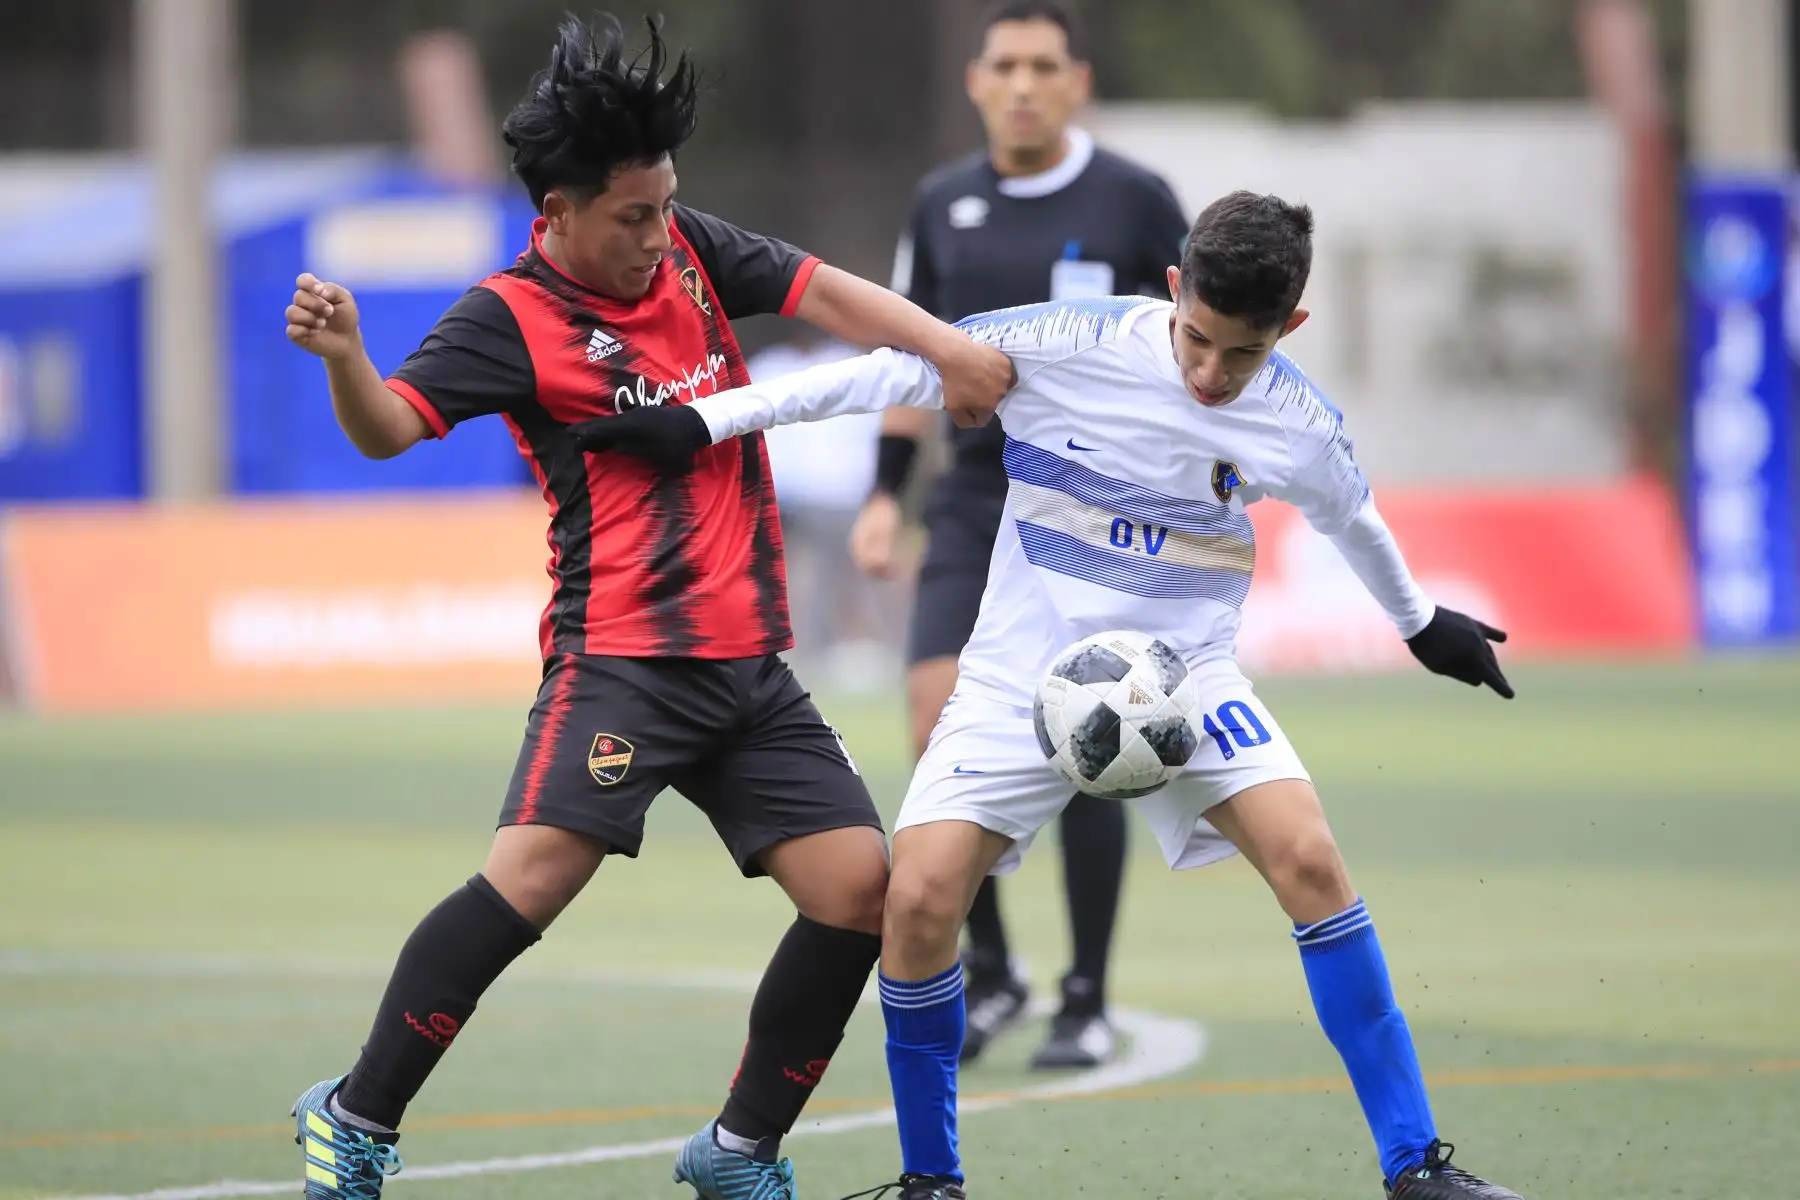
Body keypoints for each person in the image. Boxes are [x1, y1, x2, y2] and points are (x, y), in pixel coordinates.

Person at [577, 190, 1524, 1200]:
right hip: (1021, 671)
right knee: (921, 898)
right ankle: (931, 1179)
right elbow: (884, 373)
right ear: (1174, 289)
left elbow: (1355, 518)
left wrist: (1422, 623)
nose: (1209, 374)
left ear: (1287, 330)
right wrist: (707, 422)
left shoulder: (1296, 422)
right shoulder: (1068, 341)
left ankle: (1415, 1165)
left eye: (1238, 356)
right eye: (1196, 339)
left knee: (1311, 858)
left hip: (1183, 676)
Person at [279, 15, 1012, 1200]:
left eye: (667, 204)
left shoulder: (691, 252)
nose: (659, 233)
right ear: (557, 211)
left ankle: (737, 1152)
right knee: (529, 883)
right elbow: (388, 432)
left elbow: (833, 297)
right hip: (619, 658)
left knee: (858, 892)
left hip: (751, 669)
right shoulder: (504, 317)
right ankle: (356, 1117)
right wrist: (346, 359)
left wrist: (949, 351)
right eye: (633, 215)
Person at [856, 0, 1191, 1070]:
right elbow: (915, 361)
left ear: (1077, 82)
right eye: (1005, 65)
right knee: (932, 716)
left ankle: (1085, 995)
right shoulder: (941, 203)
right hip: (971, 504)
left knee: (1090, 733)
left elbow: (1196, 356)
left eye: (1045, 66)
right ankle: (992, 974)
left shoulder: (1136, 201)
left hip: (1095, 513)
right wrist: (881, 494)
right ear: (975, 81)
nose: (1024, 84)